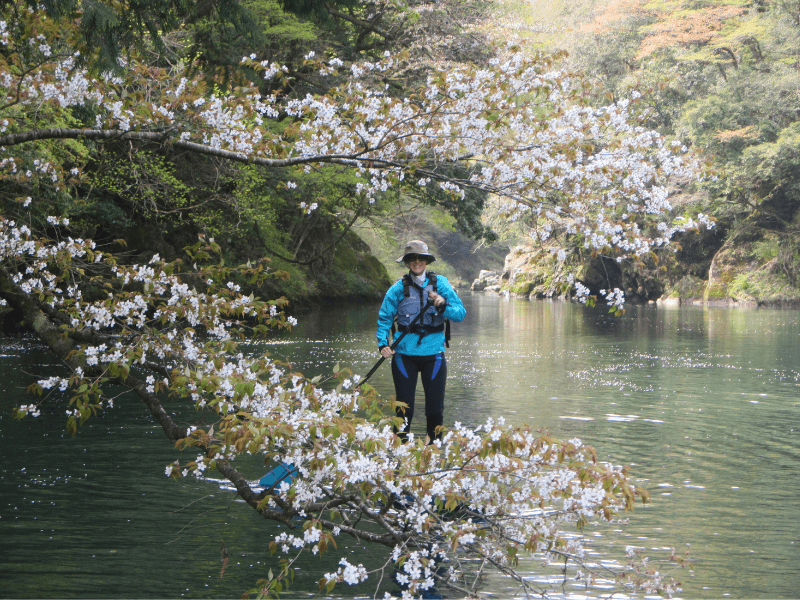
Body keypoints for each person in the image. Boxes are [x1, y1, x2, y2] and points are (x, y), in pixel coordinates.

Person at [376, 240, 466, 445]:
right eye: (412, 258)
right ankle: (400, 455)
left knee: (435, 411)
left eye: (421, 258)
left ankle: (431, 455)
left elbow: (460, 313)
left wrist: (442, 306)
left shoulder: (440, 284)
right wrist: (383, 343)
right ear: (407, 262)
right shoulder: (397, 289)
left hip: (433, 354)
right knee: (403, 410)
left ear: (426, 261)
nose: (417, 262)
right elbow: (384, 319)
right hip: (404, 356)